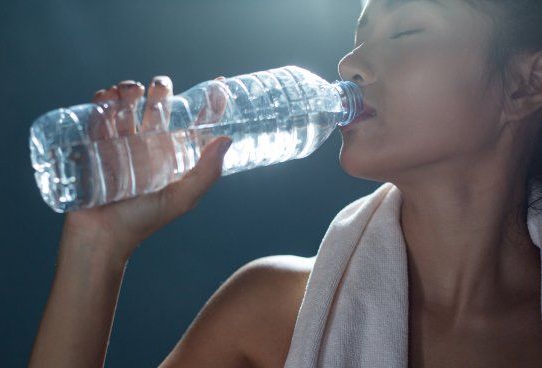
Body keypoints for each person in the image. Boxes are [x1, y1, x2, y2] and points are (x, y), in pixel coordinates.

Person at [28, 0, 542, 366]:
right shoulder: (270, 314)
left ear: (526, 84)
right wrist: (98, 246)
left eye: (405, 31)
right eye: (359, 36)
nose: (350, 63)